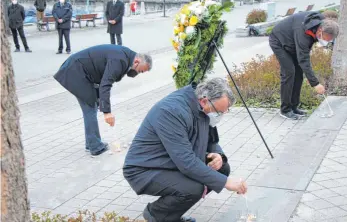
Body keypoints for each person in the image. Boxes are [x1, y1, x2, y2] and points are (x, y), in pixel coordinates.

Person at [123, 78, 248, 222]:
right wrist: (226, 182)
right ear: (204, 101)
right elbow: (186, 163)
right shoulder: (171, 112)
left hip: (171, 161)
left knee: (222, 169)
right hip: (145, 168)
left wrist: (218, 155)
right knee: (193, 189)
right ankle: (157, 215)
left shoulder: (203, 107)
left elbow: (211, 140)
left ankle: (171, 214)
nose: (219, 116)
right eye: (219, 112)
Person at [53, 45, 153, 156]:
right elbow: (106, 84)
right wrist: (107, 112)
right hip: (75, 71)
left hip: (82, 72)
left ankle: (91, 142)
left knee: (92, 106)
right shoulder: (120, 61)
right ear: (137, 62)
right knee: (90, 107)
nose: (139, 73)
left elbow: (103, 77)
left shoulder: (128, 57)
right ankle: (95, 146)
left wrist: (100, 100)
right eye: (141, 71)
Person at [269, 12, 339, 120]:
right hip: (279, 41)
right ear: (320, 31)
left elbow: (303, 57)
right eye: (326, 39)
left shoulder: (322, 25)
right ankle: (285, 110)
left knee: (298, 73)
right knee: (289, 72)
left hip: (293, 42)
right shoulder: (303, 34)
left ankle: (294, 106)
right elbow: (303, 60)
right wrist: (315, 84)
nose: (327, 42)